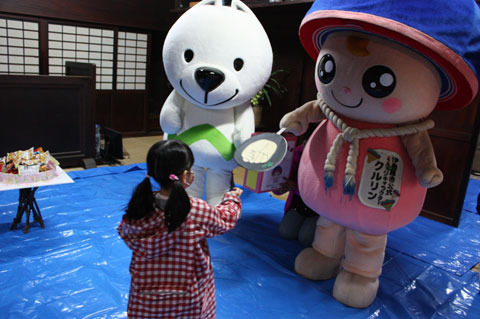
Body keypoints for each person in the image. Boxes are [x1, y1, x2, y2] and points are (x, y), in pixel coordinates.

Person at [117, 140, 243, 319]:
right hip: (189, 298)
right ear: (185, 176)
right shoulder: (196, 210)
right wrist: (232, 198)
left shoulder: (139, 208)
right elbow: (225, 219)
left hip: (146, 298)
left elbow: (124, 230)